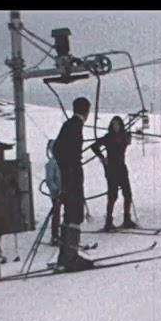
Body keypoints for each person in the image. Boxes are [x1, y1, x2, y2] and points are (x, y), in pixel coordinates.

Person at [52, 97, 93, 271]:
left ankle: (64, 257)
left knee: (69, 216)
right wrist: (70, 176)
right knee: (75, 216)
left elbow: (57, 150)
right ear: (87, 111)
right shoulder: (76, 127)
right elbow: (71, 155)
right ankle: (70, 258)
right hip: (73, 177)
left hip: (66, 177)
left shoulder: (68, 125)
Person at [90, 115, 137, 231]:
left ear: (121, 126)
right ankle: (108, 222)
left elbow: (127, 142)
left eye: (117, 124)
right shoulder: (108, 137)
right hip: (111, 169)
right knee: (112, 196)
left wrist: (129, 138)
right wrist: (102, 157)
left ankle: (127, 219)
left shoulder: (124, 136)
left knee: (128, 194)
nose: (115, 126)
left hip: (122, 168)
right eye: (114, 124)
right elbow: (94, 146)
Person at [44, 139, 62, 246]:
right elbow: (49, 180)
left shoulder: (63, 161)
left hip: (65, 190)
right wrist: (55, 190)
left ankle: (65, 234)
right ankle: (55, 235)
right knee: (56, 213)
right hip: (56, 193)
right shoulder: (51, 163)